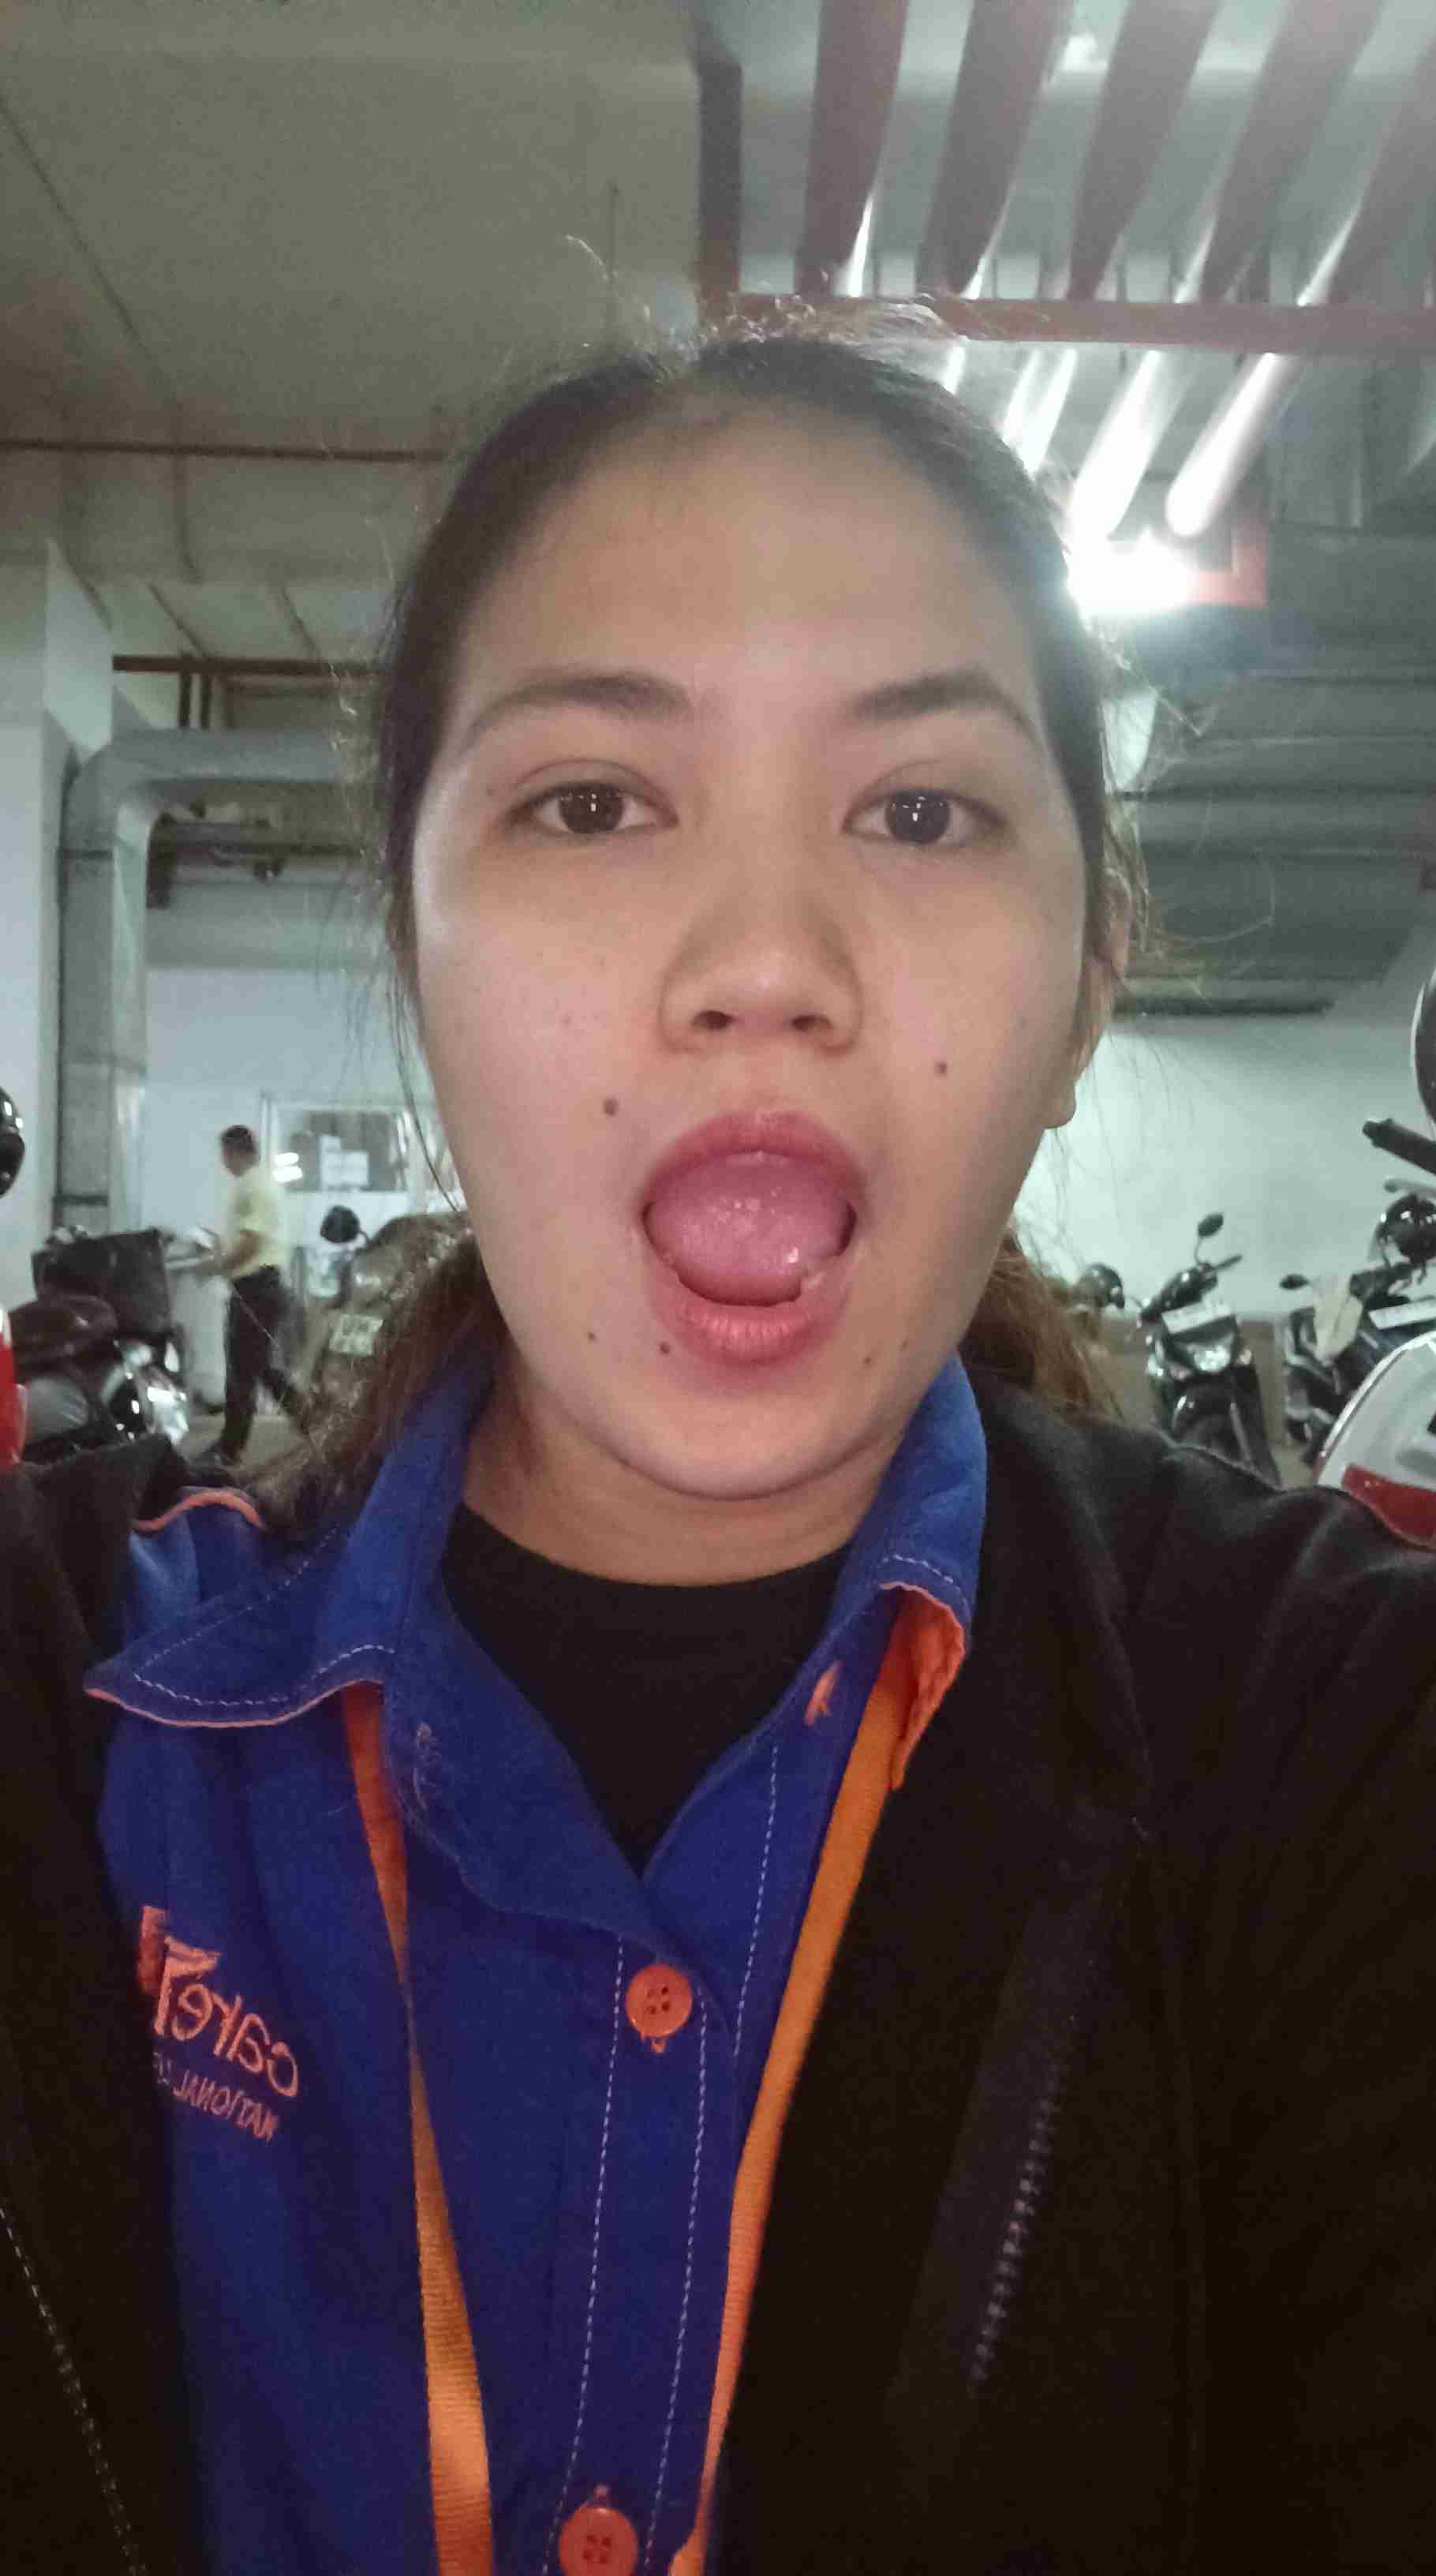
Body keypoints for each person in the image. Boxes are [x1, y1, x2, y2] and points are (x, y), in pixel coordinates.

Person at [2, 325, 1435, 2576]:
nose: (764, 961)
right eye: (591, 803)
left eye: (921, 811)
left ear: (1085, 978)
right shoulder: (53, 1691)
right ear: (414, 940)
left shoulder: (1340, 1740)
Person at [194, 1121, 305, 1471]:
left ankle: (230, 1449)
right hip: (259, 1287)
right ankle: (314, 1425)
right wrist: (219, 1247)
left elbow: (252, 1242)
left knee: (244, 1371)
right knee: (260, 1369)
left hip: (256, 1287)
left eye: (224, 1154)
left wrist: (217, 1265)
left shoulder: (254, 1186)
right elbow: (247, 1238)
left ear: (233, 1152)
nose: (223, 1162)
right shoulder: (258, 1184)